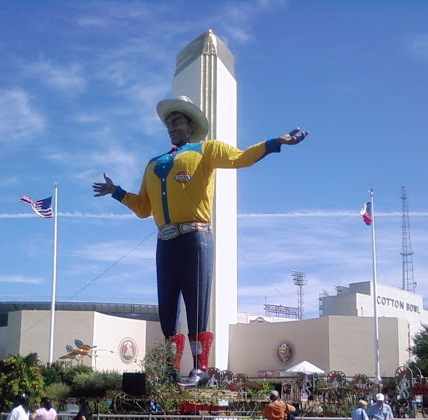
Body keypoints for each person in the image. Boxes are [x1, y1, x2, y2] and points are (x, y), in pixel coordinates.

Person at [93, 95, 308, 384]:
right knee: (167, 307)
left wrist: (275, 143)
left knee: (197, 304)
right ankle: (170, 368)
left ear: (191, 125)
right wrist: (117, 191)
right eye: (169, 123)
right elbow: (144, 209)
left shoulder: (206, 150)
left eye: (177, 121)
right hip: (165, 241)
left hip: (196, 237)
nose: (172, 127)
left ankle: (199, 368)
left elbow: (241, 158)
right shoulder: (153, 164)